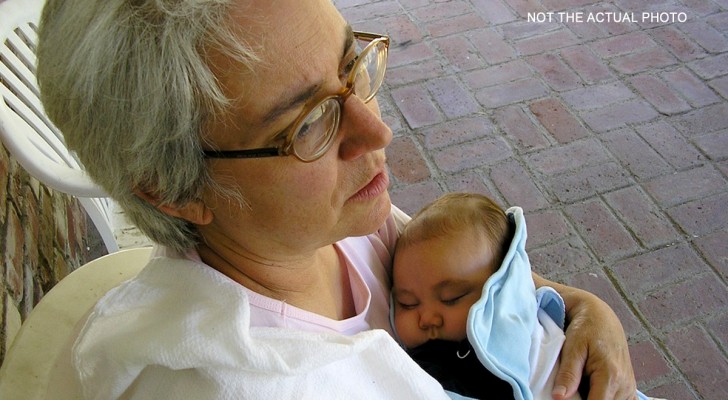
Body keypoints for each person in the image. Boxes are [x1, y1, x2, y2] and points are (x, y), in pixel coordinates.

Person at [36, 0, 637, 399]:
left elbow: (469, 283)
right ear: (177, 190)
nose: (377, 131)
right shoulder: (243, 381)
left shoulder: (327, 227)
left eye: (353, 65)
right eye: (307, 125)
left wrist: (587, 312)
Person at [391, 193, 648, 400]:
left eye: (451, 298)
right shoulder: (427, 368)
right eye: (407, 303)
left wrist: (594, 310)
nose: (426, 317)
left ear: (501, 288)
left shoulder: (520, 321)